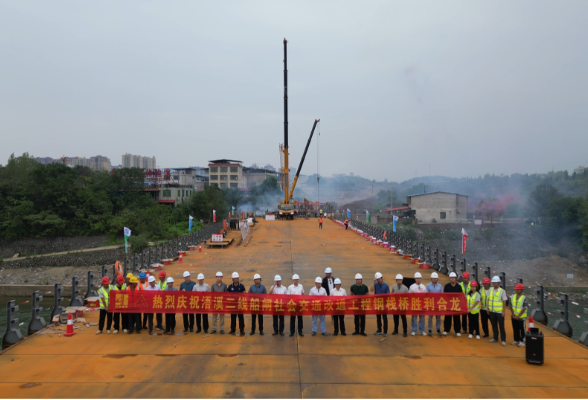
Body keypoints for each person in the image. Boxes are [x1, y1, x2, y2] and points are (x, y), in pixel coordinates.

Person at [488, 276, 508, 346]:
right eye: (493, 282)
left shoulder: (502, 291)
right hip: (492, 311)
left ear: (498, 283)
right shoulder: (490, 290)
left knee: (501, 326)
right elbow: (488, 299)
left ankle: (503, 339)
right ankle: (495, 337)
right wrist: (488, 308)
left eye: (495, 282)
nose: (494, 283)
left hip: (499, 312)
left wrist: (503, 311)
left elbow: (504, 301)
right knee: (494, 325)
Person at [443, 272, 463, 337]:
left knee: (457, 318)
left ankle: (457, 331)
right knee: (447, 318)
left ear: (455, 278)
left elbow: (461, 296)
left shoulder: (459, 287)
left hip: (456, 305)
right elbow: (444, 296)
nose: (452, 279)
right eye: (451, 278)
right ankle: (446, 330)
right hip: (449, 305)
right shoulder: (446, 286)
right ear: (449, 278)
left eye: (453, 278)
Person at [370, 272, 390, 337]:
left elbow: (388, 295)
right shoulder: (376, 284)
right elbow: (371, 290)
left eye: (379, 279)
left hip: (384, 304)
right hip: (377, 303)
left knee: (384, 318)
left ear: (382, 278)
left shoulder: (386, 286)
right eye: (377, 279)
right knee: (378, 317)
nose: (378, 280)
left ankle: (385, 331)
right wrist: (373, 282)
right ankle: (379, 330)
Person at [409, 272, 427, 336]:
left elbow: (426, 296)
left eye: (419, 278)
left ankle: (422, 330)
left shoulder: (423, 286)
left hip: (421, 305)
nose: (418, 279)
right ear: (415, 279)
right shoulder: (412, 286)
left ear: (421, 279)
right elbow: (408, 296)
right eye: (417, 278)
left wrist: (426, 294)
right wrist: (412, 294)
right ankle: (414, 330)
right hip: (414, 304)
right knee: (414, 318)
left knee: (422, 318)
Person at [510, 283, 527, 348]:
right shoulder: (513, 296)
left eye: (518, 289)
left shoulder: (524, 298)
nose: (517, 290)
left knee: (522, 329)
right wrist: (513, 314)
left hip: (521, 317)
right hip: (514, 316)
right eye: (516, 289)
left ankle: (522, 341)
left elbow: (524, 308)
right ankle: (516, 340)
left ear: (521, 290)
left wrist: (519, 315)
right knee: (515, 328)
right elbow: (511, 306)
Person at [426, 272, 443, 336]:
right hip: (430, 304)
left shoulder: (440, 286)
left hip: (438, 304)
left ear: (437, 279)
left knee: (438, 317)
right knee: (430, 317)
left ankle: (438, 329)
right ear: (431, 278)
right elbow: (426, 293)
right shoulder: (428, 285)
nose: (434, 279)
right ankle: (430, 329)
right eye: (433, 278)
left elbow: (442, 294)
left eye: (435, 278)